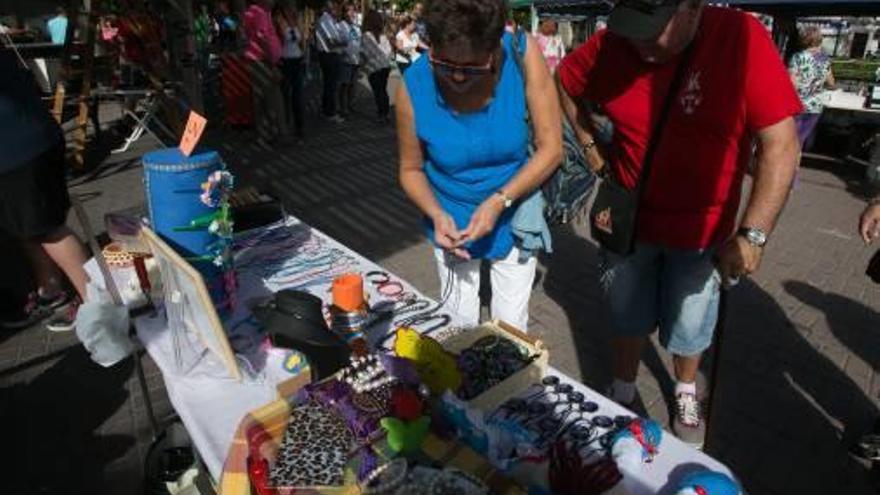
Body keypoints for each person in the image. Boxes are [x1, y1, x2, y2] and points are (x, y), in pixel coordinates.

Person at [557, 0, 802, 448]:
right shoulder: (615, 42)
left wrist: (753, 234)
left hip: (702, 231)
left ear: (691, 8)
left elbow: (782, 145)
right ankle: (624, 388)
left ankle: (686, 389)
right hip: (628, 222)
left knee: (690, 322)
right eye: (631, 27)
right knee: (627, 314)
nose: (639, 42)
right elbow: (565, 81)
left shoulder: (741, 36)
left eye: (652, 29)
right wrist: (591, 147)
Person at [397, 0, 562, 331]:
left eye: (472, 67)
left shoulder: (521, 54)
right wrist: (436, 214)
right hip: (451, 217)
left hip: (514, 209)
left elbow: (551, 149)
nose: (457, 76)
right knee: (459, 325)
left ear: (494, 50)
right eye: (443, 63)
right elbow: (411, 170)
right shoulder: (413, 86)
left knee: (510, 326)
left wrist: (500, 200)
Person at [0, 49, 89, 331]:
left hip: (17, 149)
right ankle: (51, 291)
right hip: (26, 142)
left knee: (48, 229)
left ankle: (100, 304)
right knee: (26, 228)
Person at [243, 0, 285, 142]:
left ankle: (263, 134)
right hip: (263, 61)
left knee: (259, 99)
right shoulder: (259, 13)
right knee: (272, 98)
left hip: (257, 59)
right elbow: (261, 38)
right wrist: (272, 63)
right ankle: (277, 133)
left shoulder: (254, 12)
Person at [788, 26, 835, 152]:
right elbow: (831, 83)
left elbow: (793, 85)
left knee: (791, 142)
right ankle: (794, 169)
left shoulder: (797, 57)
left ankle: (789, 170)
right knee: (800, 141)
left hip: (798, 105)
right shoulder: (825, 59)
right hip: (815, 106)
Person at [274, 3, 306, 138]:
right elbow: (277, 42)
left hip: (297, 61)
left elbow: (302, 40)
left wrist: (303, 55)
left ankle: (299, 127)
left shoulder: (298, 20)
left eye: (293, 7)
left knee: (297, 95)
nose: (292, 10)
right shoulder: (278, 21)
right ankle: (285, 125)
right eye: (289, 7)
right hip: (285, 62)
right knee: (285, 94)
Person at [315, 0, 349, 122]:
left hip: (331, 55)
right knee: (332, 85)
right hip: (329, 56)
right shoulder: (326, 19)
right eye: (337, 5)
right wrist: (343, 42)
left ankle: (327, 110)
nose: (339, 9)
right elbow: (331, 42)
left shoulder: (332, 20)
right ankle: (330, 112)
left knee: (330, 84)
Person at [361, 9, 392, 124]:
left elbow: (365, 53)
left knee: (378, 92)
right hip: (385, 66)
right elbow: (389, 51)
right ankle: (386, 113)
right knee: (383, 90)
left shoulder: (366, 36)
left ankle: (381, 115)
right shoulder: (383, 36)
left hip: (373, 67)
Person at [338, 3, 361, 117]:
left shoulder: (356, 27)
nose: (352, 13)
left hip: (356, 60)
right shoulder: (340, 26)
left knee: (353, 85)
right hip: (345, 60)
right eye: (349, 11)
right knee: (344, 85)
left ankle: (350, 105)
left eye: (353, 11)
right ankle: (343, 108)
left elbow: (359, 43)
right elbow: (337, 43)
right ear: (344, 13)